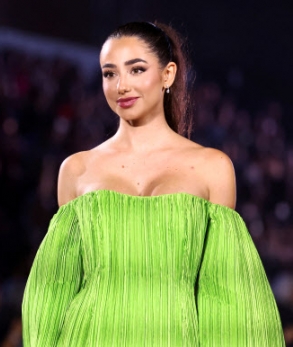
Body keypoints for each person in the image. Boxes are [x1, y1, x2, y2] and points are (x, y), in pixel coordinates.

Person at [21, 21, 284, 346]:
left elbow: (228, 297)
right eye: (109, 73)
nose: (121, 86)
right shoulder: (77, 169)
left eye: (136, 69)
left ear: (168, 74)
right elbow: (53, 292)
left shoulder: (212, 167)